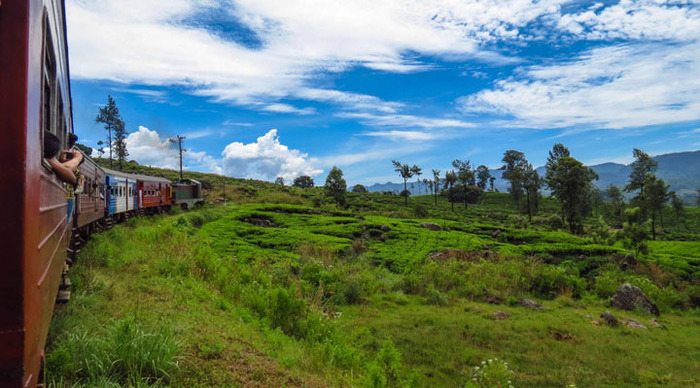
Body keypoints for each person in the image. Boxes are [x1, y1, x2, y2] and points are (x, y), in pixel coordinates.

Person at [44, 131, 83, 223]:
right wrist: (77, 158)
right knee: (66, 222)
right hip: (68, 196)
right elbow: (68, 172)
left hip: (68, 196)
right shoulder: (49, 160)